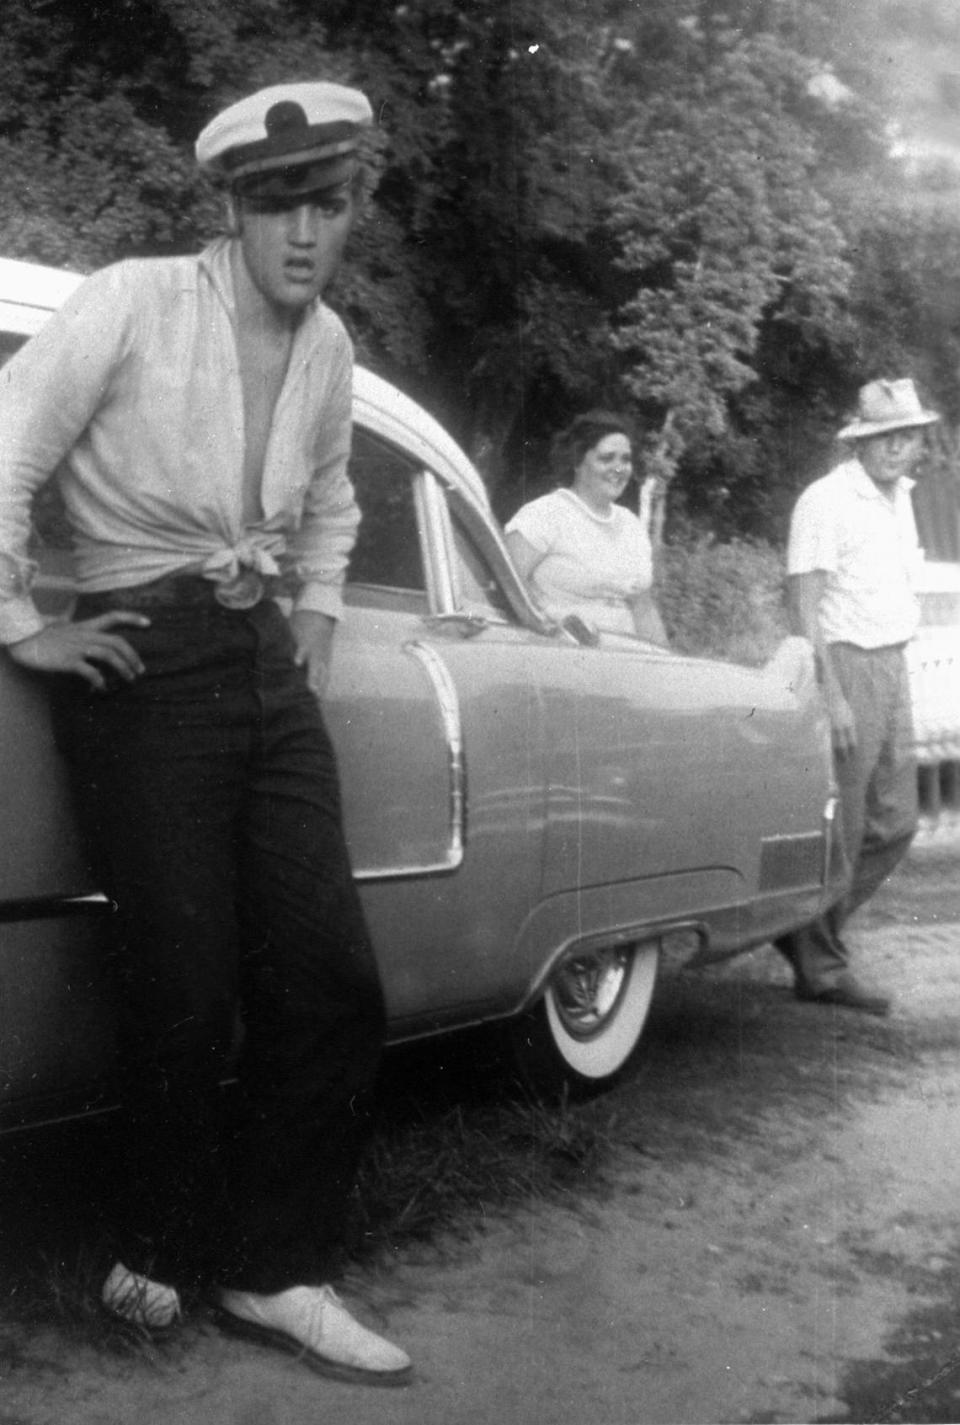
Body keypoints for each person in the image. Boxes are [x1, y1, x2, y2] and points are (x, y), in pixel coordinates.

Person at [0, 82, 412, 1385]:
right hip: (141, 658)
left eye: (329, 203)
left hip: (261, 656)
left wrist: (321, 617)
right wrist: (21, 626)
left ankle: (276, 1269)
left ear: (352, 210)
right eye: (278, 202)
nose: (305, 232)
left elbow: (336, 502)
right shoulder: (129, 302)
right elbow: (3, 452)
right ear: (228, 207)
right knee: (186, 988)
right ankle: (161, 1245)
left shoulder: (331, 344)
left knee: (335, 981)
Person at [774, 378, 939, 1016]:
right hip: (845, 665)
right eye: (885, 438)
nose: (898, 449)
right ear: (861, 440)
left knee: (895, 821)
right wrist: (833, 694)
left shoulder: (901, 496)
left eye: (907, 437)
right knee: (840, 825)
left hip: (893, 663)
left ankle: (807, 930)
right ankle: (820, 967)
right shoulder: (826, 500)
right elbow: (804, 603)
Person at [504, 411, 668, 644]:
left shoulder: (632, 525)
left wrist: (666, 666)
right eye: (607, 458)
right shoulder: (544, 514)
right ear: (577, 461)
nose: (619, 468)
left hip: (628, 662)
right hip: (559, 656)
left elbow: (643, 609)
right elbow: (504, 590)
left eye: (625, 459)